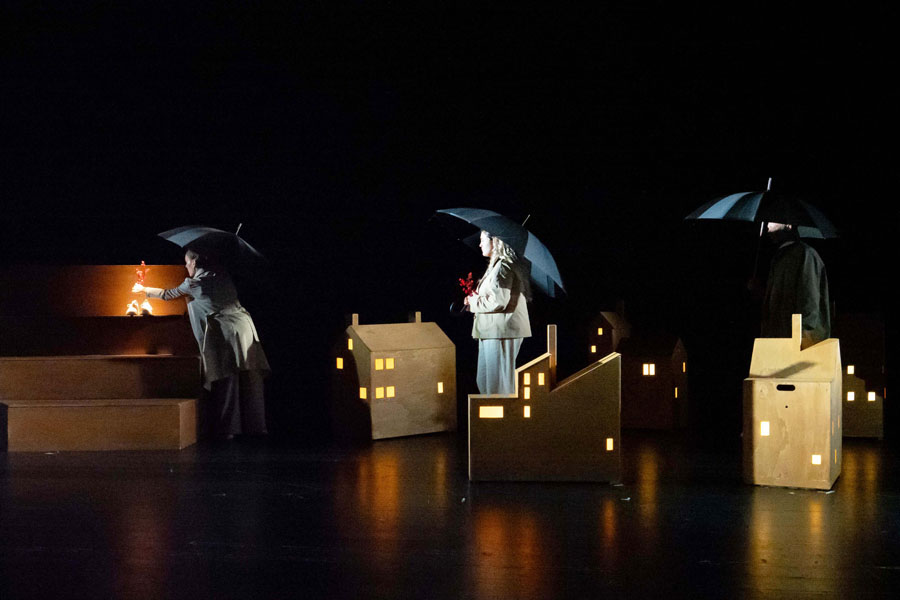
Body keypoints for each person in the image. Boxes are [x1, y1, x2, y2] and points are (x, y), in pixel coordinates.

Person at [133, 248, 271, 439]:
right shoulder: (223, 276)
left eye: (187, 262)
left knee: (227, 378)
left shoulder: (193, 283)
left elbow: (168, 294)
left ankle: (229, 429)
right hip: (245, 328)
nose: (185, 266)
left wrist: (144, 290)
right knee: (251, 377)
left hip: (226, 331)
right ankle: (258, 426)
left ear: (194, 263)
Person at [465, 230, 531, 394]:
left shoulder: (504, 266)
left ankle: (504, 411)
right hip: (492, 331)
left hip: (501, 331)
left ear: (494, 241)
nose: (480, 244)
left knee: (498, 385)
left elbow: (497, 301)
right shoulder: (497, 266)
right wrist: (475, 299)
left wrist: (473, 302)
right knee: (485, 381)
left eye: (482, 240)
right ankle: (492, 410)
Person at [760, 222, 831, 348]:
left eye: (772, 222)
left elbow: (810, 299)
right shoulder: (779, 257)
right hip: (779, 339)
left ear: (788, 225)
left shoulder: (806, 254)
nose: (768, 227)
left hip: (801, 343)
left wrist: (801, 337)